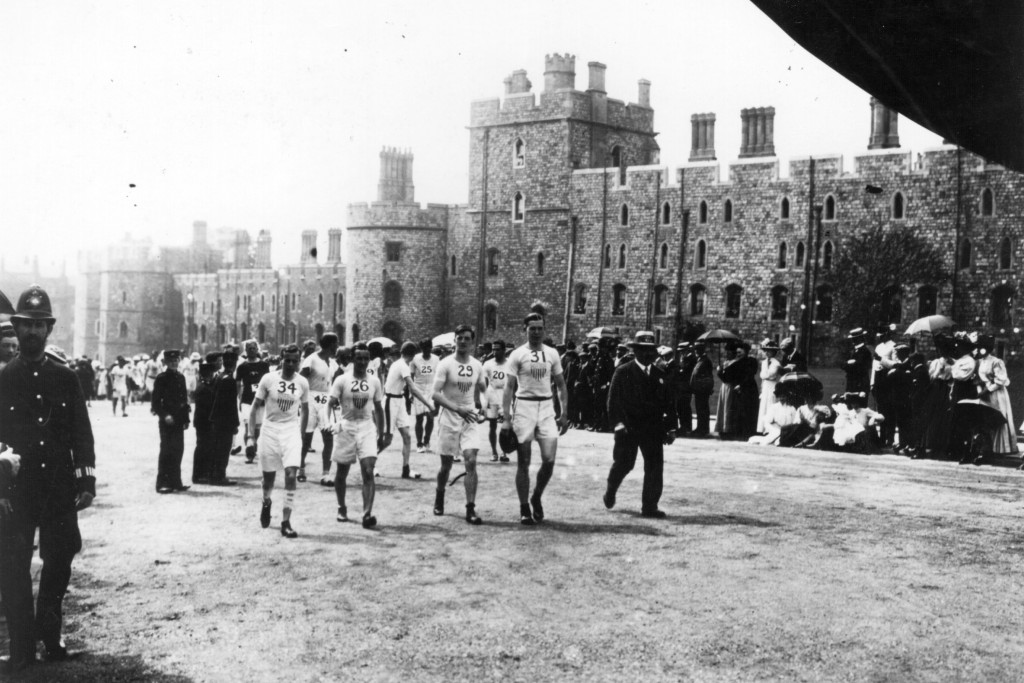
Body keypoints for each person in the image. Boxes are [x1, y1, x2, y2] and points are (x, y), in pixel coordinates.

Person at [0, 285, 96, 670]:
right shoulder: (4, 378)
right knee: (11, 566)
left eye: (40, 324)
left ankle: (49, 635)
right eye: (26, 324)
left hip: (58, 487)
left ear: (50, 329)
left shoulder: (65, 377)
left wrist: (86, 481)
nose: (32, 332)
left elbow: (81, 432)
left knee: (59, 560)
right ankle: (21, 648)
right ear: (17, 328)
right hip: (16, 491)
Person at [501, 313, 570, 525]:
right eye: (532, 328)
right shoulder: (517, 354)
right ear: (525, 330)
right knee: (524, 461)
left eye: (540, 328)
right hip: (524, 407)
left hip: (547, 408)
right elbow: (509, 387)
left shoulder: (552, 354)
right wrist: (506, 418)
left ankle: (536, 496)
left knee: (549, 460)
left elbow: (560, 385)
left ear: (544, 329)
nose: (537, 332)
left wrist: (564, 412)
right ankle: (524, 508)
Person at [603, 331, 677, 518]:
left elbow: (669, 403)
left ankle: (650, 506)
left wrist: (671, 428)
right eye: (642, 350)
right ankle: (611, 489)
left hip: (652, 429)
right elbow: (613, 402)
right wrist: (617, 424)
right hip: (628, 428)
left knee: (654, 466)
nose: (647, 354)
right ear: (635, 351)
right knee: (624, 463)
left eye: (650, 351)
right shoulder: (623, 371)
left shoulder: (660, 375)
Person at [249, 344, 310, 538]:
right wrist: (251, 436)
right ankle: (266, 502)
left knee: (291, 475)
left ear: (299, 361)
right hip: (270, 430)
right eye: (287, 360)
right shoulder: (268, 379)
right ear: (281, 359)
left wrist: (301, 435)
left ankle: (286, 521)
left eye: (295, 361)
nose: (291, 364)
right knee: (269, 480)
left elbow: (306, 410)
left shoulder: (302, 382)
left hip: (290, 431)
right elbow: (254, 407)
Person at [431, 325, 487, 525]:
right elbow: (435, 393)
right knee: (445, 465)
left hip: (469, 417)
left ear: (472, 342)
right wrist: (456, 408)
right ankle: (440, 495)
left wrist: (483, 407)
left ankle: (470, 508)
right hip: (449, 416)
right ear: (454, 340)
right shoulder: (445, 364)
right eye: (459, 338)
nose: (463, 341)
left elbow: (482, 388)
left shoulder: (477, 365)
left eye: (467, 338)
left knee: (471, 461)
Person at [329, 342, 385, 528]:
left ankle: (367, 513)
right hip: (347, 427)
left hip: (367, 427)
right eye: (359, 358)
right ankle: (341, 506)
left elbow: (378, 408)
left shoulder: (374, 381)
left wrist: (382, 432)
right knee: (342, 472)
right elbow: (329, 403)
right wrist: (329, 422)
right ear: (352, 359)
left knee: (368, 470)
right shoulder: (342, 380)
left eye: (366, 358)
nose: (362, 362)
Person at [382, 341, 434, 478]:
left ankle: (406, 470)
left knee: (407, 436)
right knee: (387, 440)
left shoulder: (399, 364)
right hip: (390, 401)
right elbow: (413, 388)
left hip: (399, 400)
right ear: (412, 354)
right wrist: (428, 405)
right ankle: (369, 462)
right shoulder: (402, 365)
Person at [299, 334, 338, 485]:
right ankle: (301, 469)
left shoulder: (333, 363)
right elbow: (301, 380)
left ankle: (326, 474)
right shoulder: (312, 359)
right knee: (306, 438)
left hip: (325, 401)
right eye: (336, 344)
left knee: (328, 437)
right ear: (330, 344)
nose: (337, 347)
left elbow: (335, 383)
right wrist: (301, 401)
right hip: (310, 399)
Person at [151, 350, 191, 493]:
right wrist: (164, 415)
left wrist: (186, 419)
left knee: (178, 450)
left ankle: (176, 482)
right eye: (171, 361)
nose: (174, 363)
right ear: (166, 363)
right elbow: (155, 402)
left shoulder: (181, 377)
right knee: (166, 450)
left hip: (179, 419)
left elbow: (184, 400)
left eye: (176, 361)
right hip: (167, 420)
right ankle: (162, 483)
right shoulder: (161, 378)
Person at [975, 334, 1017, 456]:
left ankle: (1002, 447)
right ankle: (988, 446)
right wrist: (980, 389)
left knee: (998, 415)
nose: (980, 350)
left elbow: (1001, 380)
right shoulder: (980, 362)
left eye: (983, 348)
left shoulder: (996, 362)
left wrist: (987, 390)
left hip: (997, 393)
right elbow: (980, 378)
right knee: (987, 416)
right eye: (979, 348)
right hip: (985, 391)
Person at [236, 339, 270, 464]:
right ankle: (249, 452)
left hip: (260, 401)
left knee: (257, 428)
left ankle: (254, 449)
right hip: (247, 400)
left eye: (253, 348)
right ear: (246, 350)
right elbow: (238, 384)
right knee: (247, 427)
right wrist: (239, 398)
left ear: (257, 350)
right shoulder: (242, 366)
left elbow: (268, 382)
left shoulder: (264, 365)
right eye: (249, 348)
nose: (251, 350)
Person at [208, 349, 240, 486]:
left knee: (217, 448)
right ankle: (219, 476)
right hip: (225, 421)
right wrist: (235, 423)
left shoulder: (219, 377)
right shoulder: (229, 380)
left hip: (217, 419)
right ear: (234, 364)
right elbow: (231, 405)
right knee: (223, 449)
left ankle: (215, 475)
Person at [716, 341, 759, 440]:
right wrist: (719, 371)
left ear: (746, 352)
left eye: (740, 352)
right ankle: (738, 432)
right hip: (738, 390)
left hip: (748, 388)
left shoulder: (751, 361)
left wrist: (742, 385)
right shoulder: (736, 363)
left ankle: (748, 432)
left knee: (748, 410)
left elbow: (750, 375)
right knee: (738, 411)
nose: (738, 354)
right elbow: (727, 378)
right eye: (737, 353)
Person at [408, 339, 439, 453]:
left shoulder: (436, 359)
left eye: (429, 348)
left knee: (430, 416)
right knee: (419, 417)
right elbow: (411, 376)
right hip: (419, 387)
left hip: (431, 388)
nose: (427, 351)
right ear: (421, 349)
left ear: (431, 348)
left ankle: (427, 441)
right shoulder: (415, 359)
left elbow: (438, 375)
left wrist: (437, 392)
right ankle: (419, 443)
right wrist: (411, 392)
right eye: (424, 349)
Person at [482, 339, 511, 461]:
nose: (494, 352)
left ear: (504, 350)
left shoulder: (510, 363)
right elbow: (484, 383)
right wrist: (484, 401)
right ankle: (494, 452)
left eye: (497, 349)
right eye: (493, 349)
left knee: (506, 425)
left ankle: (504, 452)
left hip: (505, 394)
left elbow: (514, 383)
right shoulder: (488, 364)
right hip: (492, 393)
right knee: (492, 425)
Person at [191, 361, 218, 484]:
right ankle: (198, 475)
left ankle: (204, 473)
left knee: (206, 447)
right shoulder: (203, 387)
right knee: (203, 447)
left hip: (204, 421)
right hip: (203, 422)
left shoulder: (205, 385)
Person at [756, 339, 783, 434]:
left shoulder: (776, 363)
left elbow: (770, 375)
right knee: (763, 406)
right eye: (766, 350)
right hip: (766, 386)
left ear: (774, 352)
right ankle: (762, 429)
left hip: (772, 386)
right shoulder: (764, 362)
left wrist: (764, 375)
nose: (767, 353)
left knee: (771, 405)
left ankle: (770, 429)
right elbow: (763, 376)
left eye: (769, 351)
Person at [689, 341, 714, 437]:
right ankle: (700, 427)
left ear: (700, 350)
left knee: (702, 409)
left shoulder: (705, 361)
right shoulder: (700, 360)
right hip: (698, 390)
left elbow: (708, 377)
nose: (695, 351)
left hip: (702, 390)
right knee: (699, 409)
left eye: (697, 350)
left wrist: (705, 387)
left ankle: (703, 429)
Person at [843, 328, 873, 394]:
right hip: (851, 382)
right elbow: (843, 364)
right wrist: (849, 364)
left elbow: (864, 366)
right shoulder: (852, 350)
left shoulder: (865, 351)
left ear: (860, 338)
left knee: (859, 402)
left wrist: (851, 364)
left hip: (861, 382)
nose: (853, 340)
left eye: (855, 338)